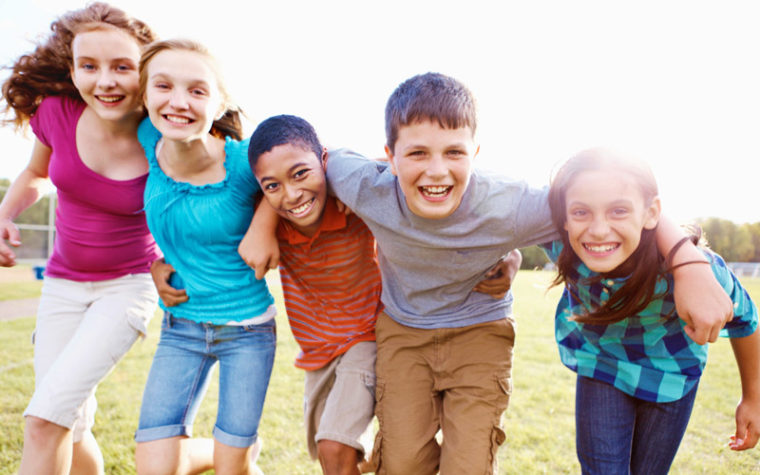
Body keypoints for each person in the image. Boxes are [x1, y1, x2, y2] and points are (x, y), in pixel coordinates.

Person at [321, 72, 734, 474]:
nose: (436, 171)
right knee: (403, 463)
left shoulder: (512, 203)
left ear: (475, 154)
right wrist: (266, 222)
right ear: (390, 156)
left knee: (468, 466)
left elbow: (615, 201)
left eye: (453, 152)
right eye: (416, 153)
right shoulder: (362, 185)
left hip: (478, 330)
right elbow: (309, 160)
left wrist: (688, 261)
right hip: (403, 332)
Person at [0, 4, 160, 474]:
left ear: (144, 71)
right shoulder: (56, 114)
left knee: (44, 420)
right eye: (89, 66)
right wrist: (6, 213)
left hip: (129, 287)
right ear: (72, 71)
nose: (105, 81)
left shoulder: (162, 134)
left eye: (122, 67)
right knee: (72, 422)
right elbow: (34, 173)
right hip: (62, 285)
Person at [542, 148, 759, 474]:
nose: (599, 230)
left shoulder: (700, 273)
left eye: (618, 211)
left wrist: (753, 399)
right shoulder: (564, 246)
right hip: (603, 367)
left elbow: (746, 322)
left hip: (670, 378)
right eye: (581, 212)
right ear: (564, 218)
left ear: (651, 212)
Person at [133, 39, 275, 475]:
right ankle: (222, 451)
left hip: (247, 332)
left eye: (197, 91)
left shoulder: (245, 163)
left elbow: (308, 172)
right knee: (154, 469)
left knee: (234, 470)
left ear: (219, 103)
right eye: (163, 87)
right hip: (180, 328)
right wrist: (157, 262)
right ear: (145, 96)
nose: (178, 102)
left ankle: (234, 454)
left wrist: (265, 221)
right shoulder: (146, 139)